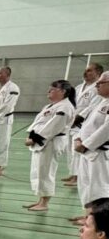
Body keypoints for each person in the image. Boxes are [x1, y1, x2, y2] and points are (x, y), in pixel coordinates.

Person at [24, 80, 76, 212]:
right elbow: (38, 122)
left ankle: (45, 203)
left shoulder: (65, 107)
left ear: (62, 92)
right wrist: (30, 135)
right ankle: (40, 200)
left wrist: (34, 139)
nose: (48, 91)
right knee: (38, 171)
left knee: (46, 172)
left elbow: (53, 127)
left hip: (51, 142)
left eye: (52, 89)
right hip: (42, 142)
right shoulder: (50, 106)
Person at [74, 70, 109, 210]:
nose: (97, 85)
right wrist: (78, 138)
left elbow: (107, 128)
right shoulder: (101, 102)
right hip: (87, 151)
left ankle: (98, 217)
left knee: (99, 187)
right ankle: (89, 214)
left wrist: (87, 144)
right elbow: (87, 124)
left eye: (101, 82)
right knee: (86, 184)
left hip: (99, 152)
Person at [64, 63, 103, 188]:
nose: (86, 73)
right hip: (72, 121)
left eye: (89, 71)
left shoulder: (97, 88)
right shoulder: (79, 87)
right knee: (69, 149)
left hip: (83, 123)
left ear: (98, 73)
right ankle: (72, 173)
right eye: (85, 70)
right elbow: (72, 104)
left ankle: (78, 177)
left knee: (76, 150)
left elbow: (92, 107)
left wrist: (77, 119)